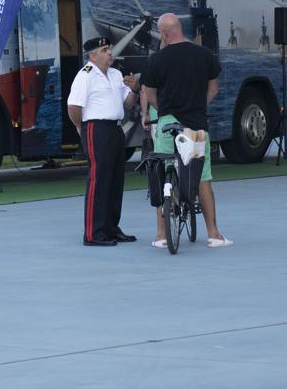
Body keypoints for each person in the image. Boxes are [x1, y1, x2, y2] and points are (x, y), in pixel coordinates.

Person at [141, 13, 231, 248]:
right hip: (196, 123)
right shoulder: (204, 55)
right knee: (202, 177)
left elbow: (149, 93)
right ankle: (213, 234)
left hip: (167, 123)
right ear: (180, 28)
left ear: (163, 33)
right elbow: (213, 88)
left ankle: (161, 234)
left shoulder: (157, 60)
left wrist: (165, 110)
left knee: (164, 172)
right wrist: (198, 105)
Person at [67, 36, 139, 246]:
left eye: (109, 48)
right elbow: (73, 107)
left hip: (115, 129)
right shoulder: (85, 75)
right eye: (105, 49)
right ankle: (93, 233)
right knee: (98, 181)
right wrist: (81, 128)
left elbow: (128, 103)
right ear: (92, 55)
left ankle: (111, 228)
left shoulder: (116, 74)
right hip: (96, 128)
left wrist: (134, 89)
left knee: (116, 180)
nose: (110, 52)